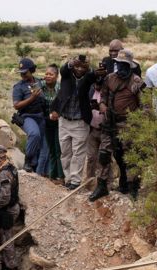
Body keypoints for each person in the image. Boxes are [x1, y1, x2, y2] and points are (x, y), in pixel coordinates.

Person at [90, 49, 144, 201]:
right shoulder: (109, 78)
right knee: (104, 154)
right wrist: (102, 106)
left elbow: (145, 106)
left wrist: (137, 123)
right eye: (119, 65)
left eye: (124, 65)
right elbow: (103, 97)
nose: (121, 68)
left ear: (130, 66)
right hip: (110, 123)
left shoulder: (137, 82)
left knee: (130, 157)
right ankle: (101, 186)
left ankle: (133, 188)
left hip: (129, 125)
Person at [52, 55, 95, 190]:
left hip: (80, 121)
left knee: (78, 153)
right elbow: (64, 69)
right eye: (77, 66)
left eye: (83, 66)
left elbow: (93, 76)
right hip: (64, 120)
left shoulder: (88, 78)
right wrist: (71, 63)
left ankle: (75, 181)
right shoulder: (67, 75)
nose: (79, 69)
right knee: (65, 152)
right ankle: (68, 178)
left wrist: (90, 68)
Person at [12, 58, 46, 173]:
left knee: (43, 145)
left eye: (25, 73)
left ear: (32, 70)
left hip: (41, 116)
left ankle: (40, 170)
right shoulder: (19, 87)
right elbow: (16, 105)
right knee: (34, 134)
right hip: (27, 116)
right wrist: (32, 98)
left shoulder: (40, 82)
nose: (23, 75)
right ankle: (28, 161)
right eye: (21, 73)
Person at [40, 65, 64, 181]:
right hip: (46, 122)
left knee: (58, 149)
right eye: (46, 74)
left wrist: (57, 113)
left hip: (59, 122)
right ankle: (52, 174)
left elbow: (63, 103)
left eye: (51, 74)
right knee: (51, 149)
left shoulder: (60, 88)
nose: (48, 76)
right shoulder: (41, 87)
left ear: (56, 76)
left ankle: (61, 176)